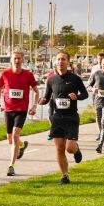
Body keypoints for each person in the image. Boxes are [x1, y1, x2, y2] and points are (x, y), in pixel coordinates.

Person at [38, 51, 88, 184]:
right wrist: (41, 101)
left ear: (68, 62)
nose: (61, 62)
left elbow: (85, 94)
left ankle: (76, 149)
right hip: (57, 118)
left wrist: (77, 97)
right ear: (56, 62)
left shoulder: (75, 79)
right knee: (59, 148)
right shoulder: (51, 80)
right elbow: (47, 97)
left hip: (71, 117)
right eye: (59, 59)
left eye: (63, 59)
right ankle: (65, 175)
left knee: (69, 148)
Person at [0, 50, 39, 176]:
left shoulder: (28, 75)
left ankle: (11, 166)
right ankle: (22, 145)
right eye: (14, 58)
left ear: (22, 60)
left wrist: (34, 106)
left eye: (19, 58)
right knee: (10, 139)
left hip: (21, 109)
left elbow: (36, 91)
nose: (17, 61)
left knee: (15, 134)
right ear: (11, 60)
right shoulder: (5, 74)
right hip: (8, 110)